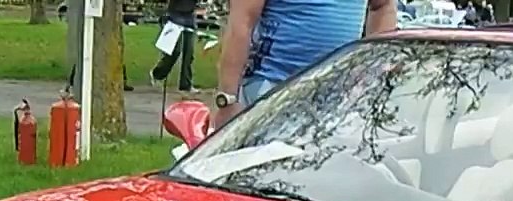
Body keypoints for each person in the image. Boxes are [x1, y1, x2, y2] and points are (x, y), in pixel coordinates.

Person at [213, 0, 396, 128]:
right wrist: (228, 100)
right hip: (272, 89)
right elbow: (241, 23)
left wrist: (373, 74)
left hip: (338, 95)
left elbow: (383, 6)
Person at [150, 0, 199, 91]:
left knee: (189, 53)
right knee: (174, 51)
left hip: (189, 16)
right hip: (175, 15)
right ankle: (157, 74)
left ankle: (186, 84)